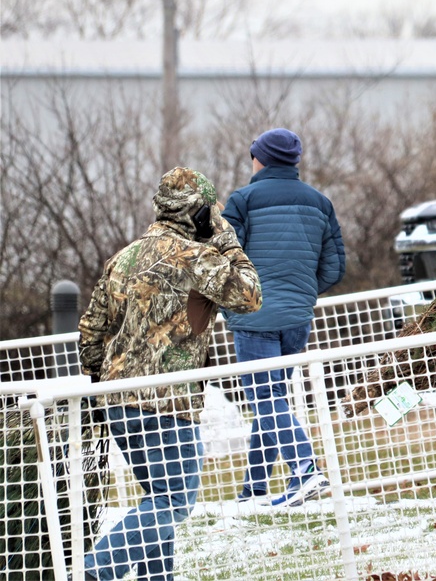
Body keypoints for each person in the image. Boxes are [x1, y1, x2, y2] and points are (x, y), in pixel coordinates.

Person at [78, 167, 262, 580]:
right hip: (167, 403)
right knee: (174, 501)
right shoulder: (198, 257)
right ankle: (93, 572)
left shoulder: (121, 259)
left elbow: (90, 331)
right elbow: (250, 296)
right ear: (198, 214)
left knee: (157, 498)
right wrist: (226, 240)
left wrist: (98, 385)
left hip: (118, 400)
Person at [222, 127, 346, 507]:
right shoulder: (320, 202)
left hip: (254, 316)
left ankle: (306, 471)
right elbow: (335, 267)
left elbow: (223, 257)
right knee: (272, 400)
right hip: (296, 318)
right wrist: (300, 293)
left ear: (260, 159)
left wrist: (232, 302)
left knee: (265, 400)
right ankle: (254, 490)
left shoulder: (242, 200)